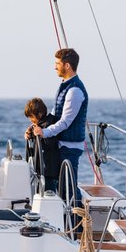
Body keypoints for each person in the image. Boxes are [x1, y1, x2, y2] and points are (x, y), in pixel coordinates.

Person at [32, 48, 87, 202]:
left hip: (70, 147)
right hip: (62, 145)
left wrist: (45, 133)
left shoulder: (75, 90)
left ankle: (77, 216)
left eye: (57, 63)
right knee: (61, 186)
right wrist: (36, 128)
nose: (54, 67)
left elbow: (65, 121)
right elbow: (54, 114)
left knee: (68, 187)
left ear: (67, 65)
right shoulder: (65, 86)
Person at [24, 98, 59, 191]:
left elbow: (50, 143)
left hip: (48, 170)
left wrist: (41, 133)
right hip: (41, 169)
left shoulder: (48, 125)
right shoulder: (40, 125)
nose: (31, 120)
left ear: (39, 114)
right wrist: (30, 134)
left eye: (32, 117)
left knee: (48, 192)